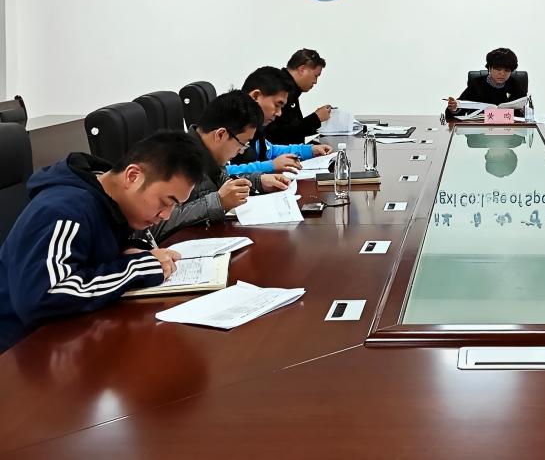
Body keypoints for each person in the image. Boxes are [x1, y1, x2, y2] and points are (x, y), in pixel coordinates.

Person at [0, 131, 206, 352]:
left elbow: (90, 254)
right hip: (20, 350)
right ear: (133, 176)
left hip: (71, 334)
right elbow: (43, 295)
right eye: (166, 202)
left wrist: (130, 251)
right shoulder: (63, 209)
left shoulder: (111, 202)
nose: (166, 215)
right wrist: (139, 267)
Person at [150, 90, 290, 243]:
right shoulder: (176, 160)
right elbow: (155, 225)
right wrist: (218, 202)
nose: (241, 151)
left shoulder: (206, 153)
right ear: (221, 134)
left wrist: (258, 181)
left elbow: (222, 181)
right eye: (242, 144)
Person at [228, 67, 333, 175]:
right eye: (277, 105)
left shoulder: (256, 130)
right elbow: (222, 172)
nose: (279, 113)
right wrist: (270, 166)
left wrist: (310, 150)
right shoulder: (228, 126)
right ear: (256, 96)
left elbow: (271, 151)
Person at [262, 49, 332, 145]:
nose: (315, 81)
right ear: (302, 69)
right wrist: (315, 119)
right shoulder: (281, 89)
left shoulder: (291, 89)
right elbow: (279, 135)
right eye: (316, 76)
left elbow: (293, 130)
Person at [445, 47, 527, 119]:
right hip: (480, 129)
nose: (502, 73)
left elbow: (524, 114)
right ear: (489, 68)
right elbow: (460, 108)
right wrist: (454, 109)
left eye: (507, 70)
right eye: (498, 69)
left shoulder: (516, 85)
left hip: (509, 129)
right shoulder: (476, 84)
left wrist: (524, 110)